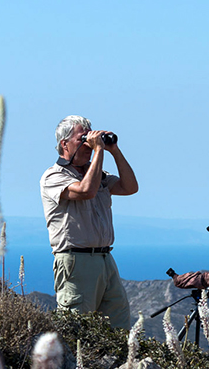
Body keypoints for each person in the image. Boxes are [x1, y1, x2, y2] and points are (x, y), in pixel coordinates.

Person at [39, 114, 139, 328]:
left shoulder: (97, 174)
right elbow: (86, 191)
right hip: (75, 261)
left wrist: (113, 150)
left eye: (89, 139)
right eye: (81, 139)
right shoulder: (53, 176)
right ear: (64, 144)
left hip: (105, 259)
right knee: (77, 329)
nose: (87, 145)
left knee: (118, 327)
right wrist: (98, 151)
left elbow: (130, 187)